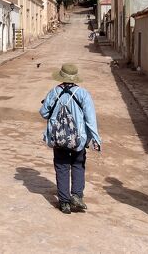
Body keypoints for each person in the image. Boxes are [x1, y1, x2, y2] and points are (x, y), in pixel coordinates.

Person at [39, 63, 101, 214]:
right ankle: (77, 196)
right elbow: (90, 119)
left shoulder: (54, 92)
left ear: (61, 76)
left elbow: (44, 113)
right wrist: (96, 139)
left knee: (62, 167)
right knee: (78, 165)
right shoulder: (83, 94)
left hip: (58, 138)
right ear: (75, 78)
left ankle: (64, 202)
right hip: (78, 138)